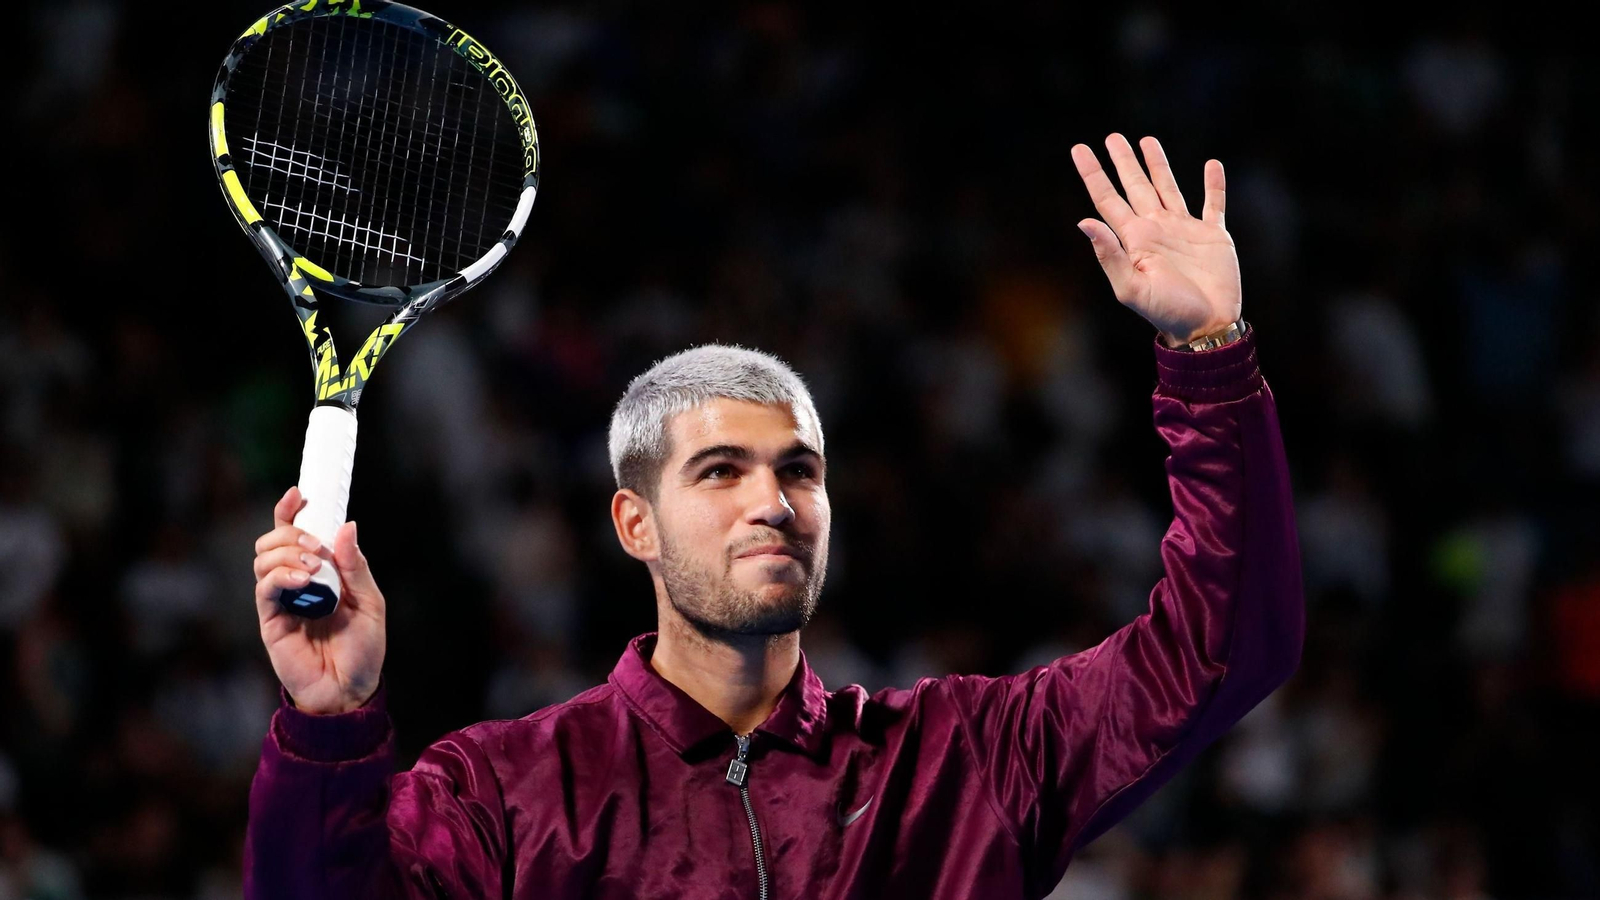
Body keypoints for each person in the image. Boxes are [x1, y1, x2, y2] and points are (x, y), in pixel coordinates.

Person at [244, 133, 1304, 899]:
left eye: (799, 471)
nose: (773, 503)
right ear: (634, 524)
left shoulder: (964, 764)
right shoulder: (500, 798)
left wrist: (1208, 356)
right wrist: (328, 726)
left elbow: (1222, 649)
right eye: (719, 472)